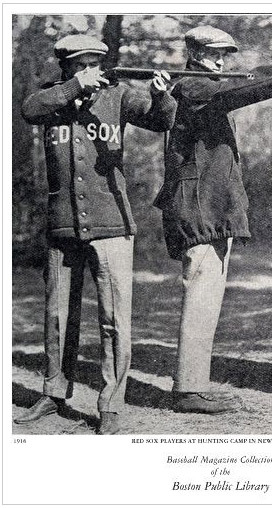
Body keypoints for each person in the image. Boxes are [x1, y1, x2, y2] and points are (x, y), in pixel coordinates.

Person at [14, 34, 177, 433]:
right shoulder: (52, 97)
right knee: (56, 315)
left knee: (114, 318)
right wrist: (73, 89)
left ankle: (111, 405)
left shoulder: (119, 95)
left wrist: (161, 96)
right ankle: (54, 393)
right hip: (62, 224)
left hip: (112, 225)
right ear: (66, 67)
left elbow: (160, 121)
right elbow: (28, 110)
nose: (88, 71)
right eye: (80, 64)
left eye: (94, 64)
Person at [154, 25, 272, 414]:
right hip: (198, 207)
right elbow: (235, 94)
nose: (221, 61)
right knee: (201, 295)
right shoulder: (193, 87)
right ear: (194, 53)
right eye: (214, 54)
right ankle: (189, 388)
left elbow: (229, 94)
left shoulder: (201, 85)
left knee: (206, 295)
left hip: (207, 207)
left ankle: (192, 384)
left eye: (225, 54)